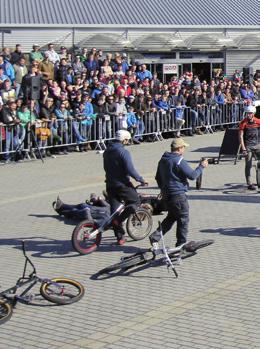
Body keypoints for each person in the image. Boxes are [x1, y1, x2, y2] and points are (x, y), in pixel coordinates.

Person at [149, 138, 208, 254]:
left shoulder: (163, 160)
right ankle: (181, 245)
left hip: (167, 195)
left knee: (171, 217)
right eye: (184, 147)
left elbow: (157, 177)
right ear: (179, 148)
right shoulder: (179, 160)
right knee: (183, 219)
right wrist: (201, 166)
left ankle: (155, 236)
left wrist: (163, 188)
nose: (184, 149)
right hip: (178, 196)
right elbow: (192, 176)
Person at [103, 129, 148, 245]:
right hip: (122, 184)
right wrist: (141, 179)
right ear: (124, 140)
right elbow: (130, 169)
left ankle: (120, 238)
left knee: (115, 211)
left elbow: (105, 168)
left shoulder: (107, 151)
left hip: (110, 184)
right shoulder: (123, 152)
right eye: (127, 140)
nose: (128, 142)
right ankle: (118, 221)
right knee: (135, 202)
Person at [239, 105, 260, 190]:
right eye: (247, 113)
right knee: (248, 164)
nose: (248, 115)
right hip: (248, 146)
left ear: (253, 114)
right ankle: (249, 183)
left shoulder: (258, 121)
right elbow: (240, 136)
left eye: (250, 113)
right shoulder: (243, 123)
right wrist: (243, 148)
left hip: (257, 145)